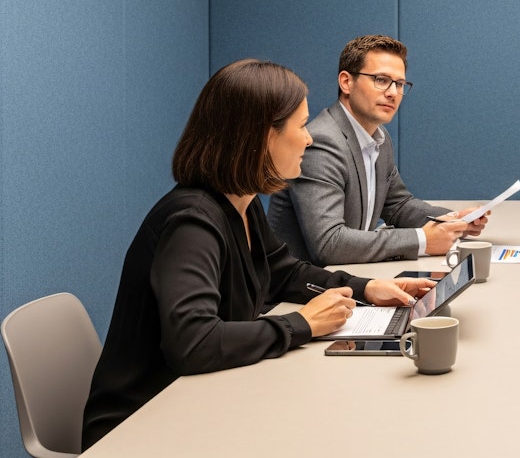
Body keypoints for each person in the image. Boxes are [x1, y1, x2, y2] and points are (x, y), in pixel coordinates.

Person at [82, 59, 437, 449]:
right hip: (142, 427)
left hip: (201, 403)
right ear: (259, 136)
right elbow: (193, 343)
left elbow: (282, 272)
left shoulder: (241, 202)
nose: (308, 139)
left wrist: (366, 288)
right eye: (300, 126)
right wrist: (301, 324)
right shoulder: (191, 222)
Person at [268, 35, 487, 266]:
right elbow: (329, 244)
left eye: (400, 84)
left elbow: (398, 205)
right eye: (381, 80)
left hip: (344, 281)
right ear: (346, 82)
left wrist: (453, 219)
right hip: (298, 295)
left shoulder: (378, 138)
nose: (393, 92)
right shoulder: (322, 142)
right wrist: (422, 239)